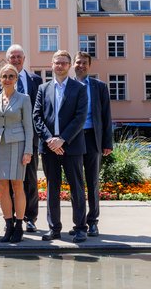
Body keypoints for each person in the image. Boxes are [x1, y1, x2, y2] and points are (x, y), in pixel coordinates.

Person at [33, 50, 88, 243]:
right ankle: (54, 228)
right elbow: (37, 117)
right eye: (57, 62)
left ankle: (81, 228)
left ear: (69, 65)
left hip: (71, 146)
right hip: (49, 148)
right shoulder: (43, 88)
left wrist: (62, 139)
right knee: (52, 188)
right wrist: (50, 140)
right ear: (52, 64)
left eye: (64, 63)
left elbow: (80, 117)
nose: (60, 66)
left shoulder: (79, 88)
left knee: (76, 188)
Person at [0, 44, 42, 232]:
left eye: (18, 57)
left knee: (29, 178)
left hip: (29, 137)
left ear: (24, 59)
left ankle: (30, 217)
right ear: (7, 59)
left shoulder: (35, 80)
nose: (15, 60)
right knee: (9, 180)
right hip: (7, 139)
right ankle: (11, 218)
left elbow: (40, 109)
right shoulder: (1, 81)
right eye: (12, 57)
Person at [0, 64, 33, 242]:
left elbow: (29, 127)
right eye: (4, 76)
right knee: (2, 187)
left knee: (17, 186)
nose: (7, 79)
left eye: (11, 76)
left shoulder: (24, 99)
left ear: (16, 79)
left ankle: (19, 225)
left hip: (18, 145)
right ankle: (9, 225)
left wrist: (28, 150)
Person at [72, 51, 113, 236]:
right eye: (78, 62)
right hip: (73, 139)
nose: (81, 65)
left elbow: (106, 116)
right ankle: (79, 223)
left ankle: (93, 221)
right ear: (73, 64)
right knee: (76, 183)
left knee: (92, 182)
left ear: (90, 66)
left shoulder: (99, 87)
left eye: (84, 63)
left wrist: (107, 142)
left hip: (92, 138)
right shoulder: (68, 86)